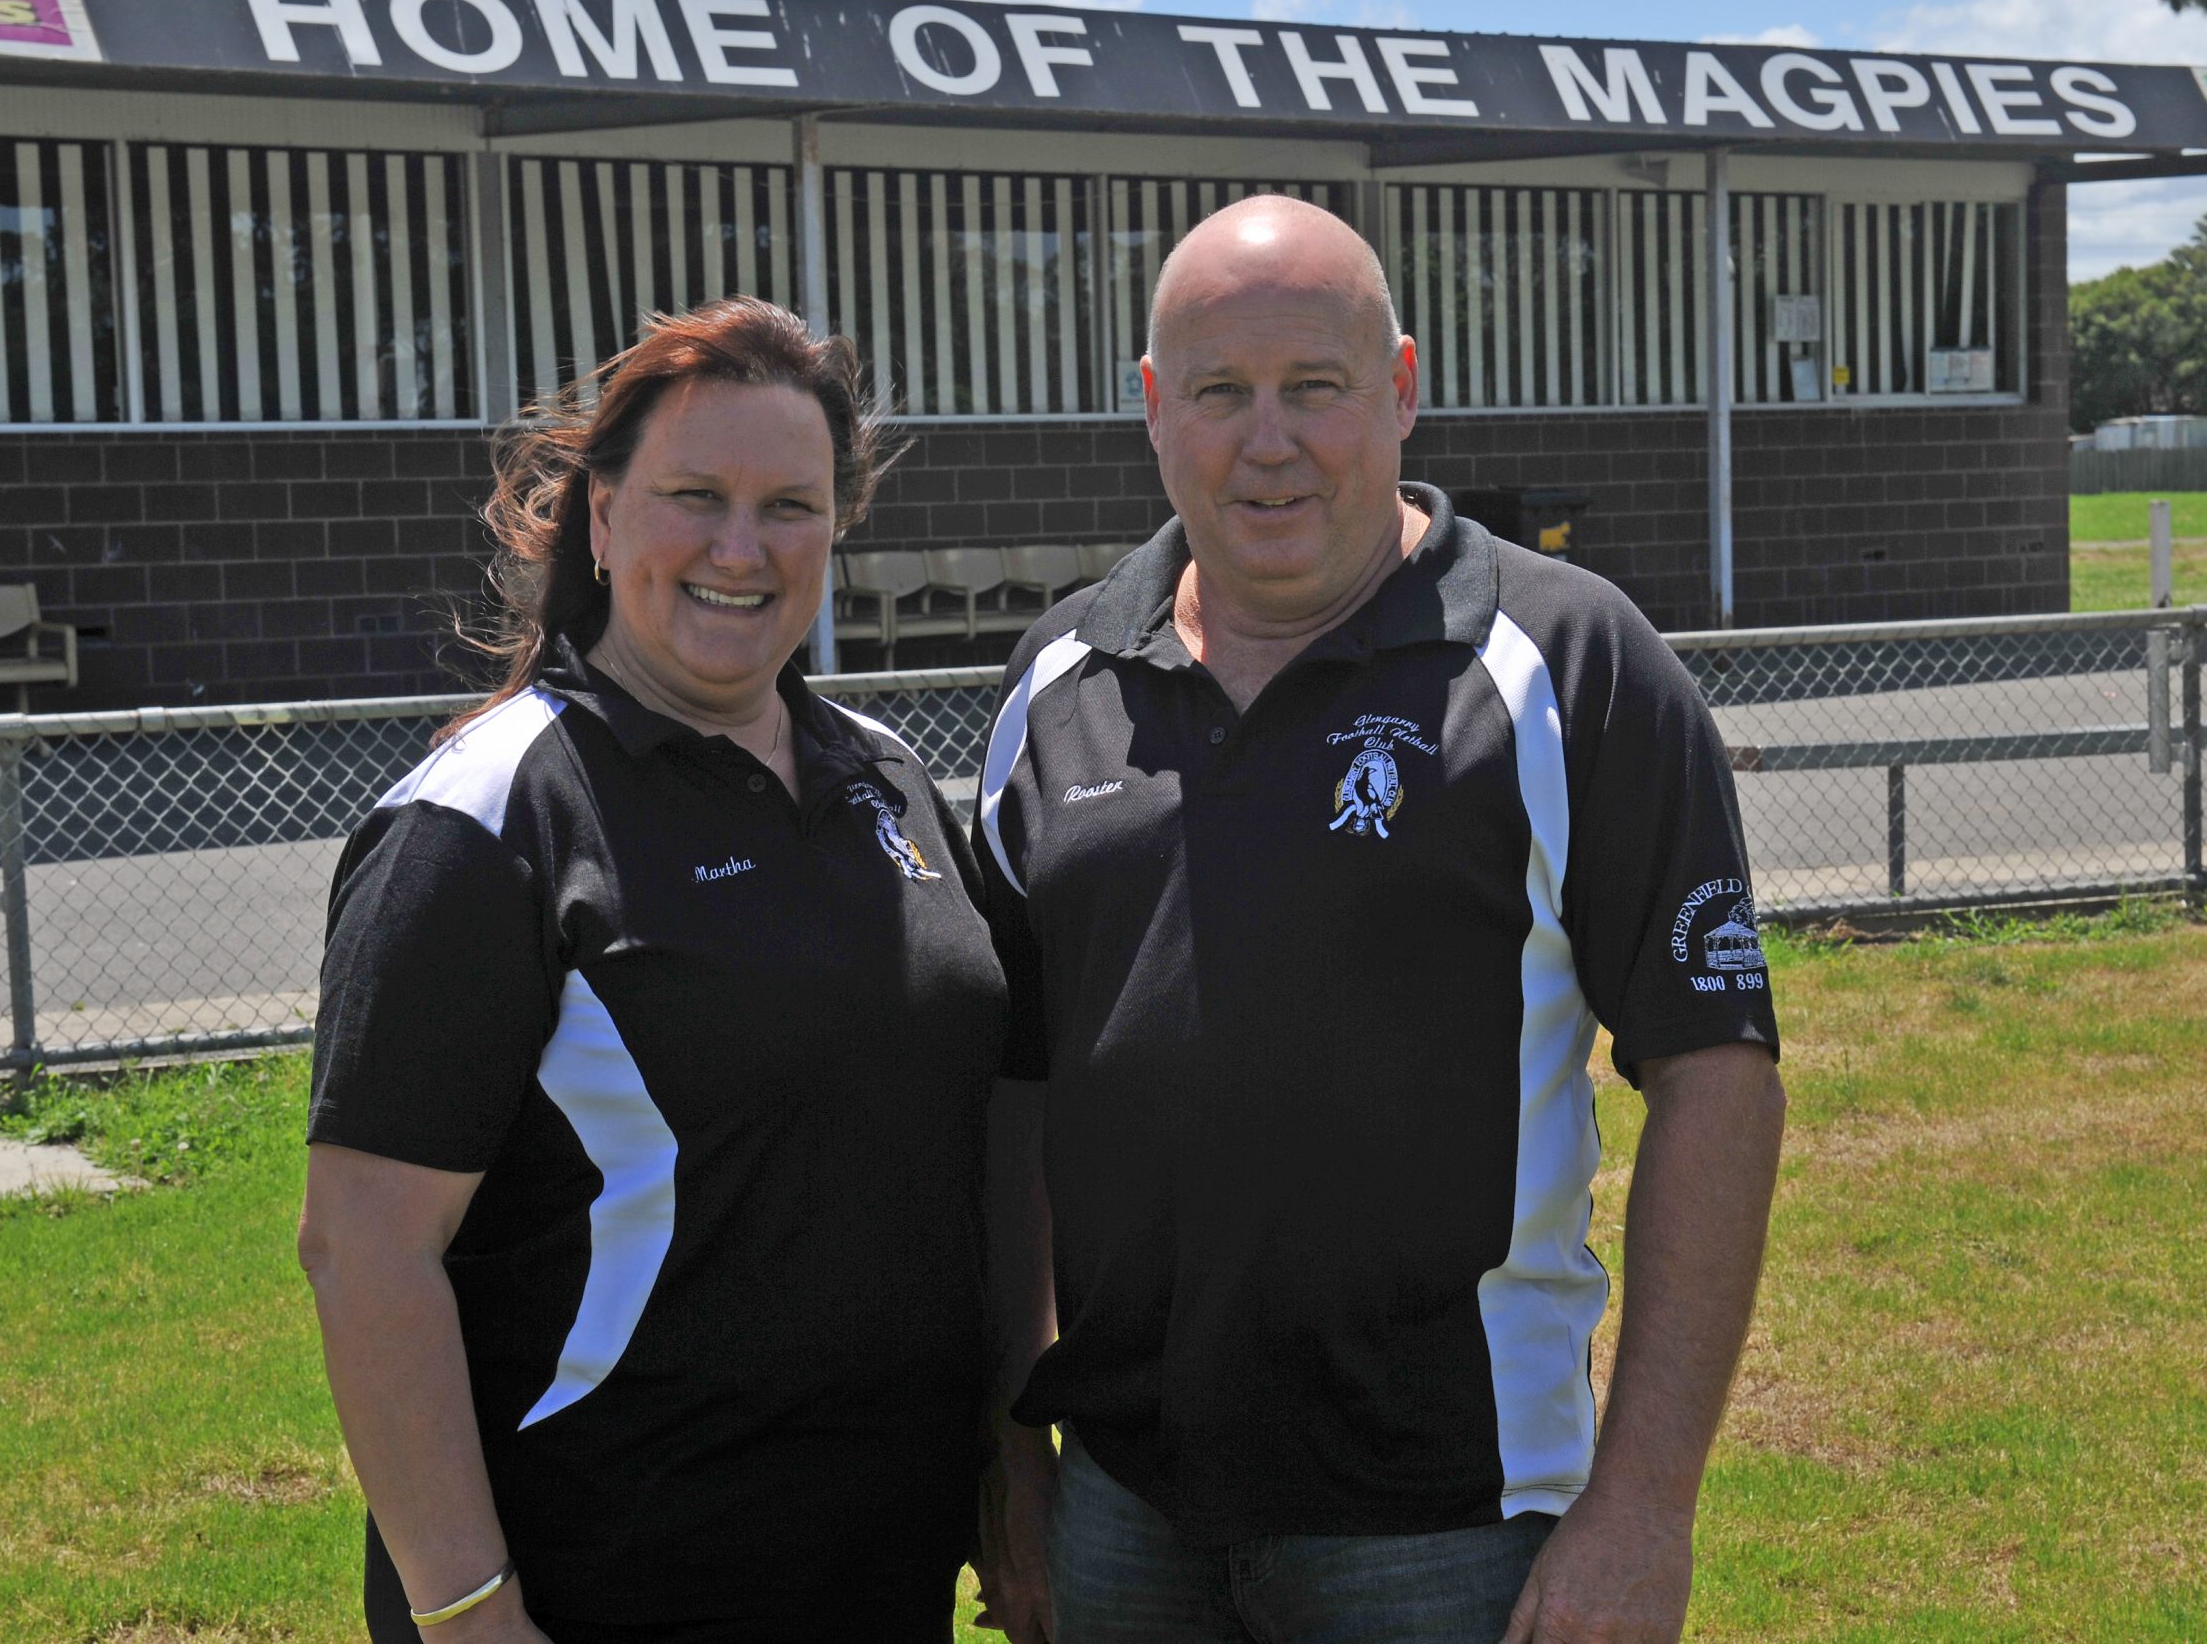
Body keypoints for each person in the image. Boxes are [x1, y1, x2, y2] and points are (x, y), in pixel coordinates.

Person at [971, 197, 1786, 1644]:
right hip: (1122, 1509)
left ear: (1401, 389)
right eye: (1220, 393)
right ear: (1153, 408)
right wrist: (1007, 1446)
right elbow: (1011, 1092)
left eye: (1316, 387)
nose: (1268, 441)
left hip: (1451, 1520)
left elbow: (1717, 1073)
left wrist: (1646, 1503)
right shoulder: (1060, 679)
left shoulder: (1569, 662)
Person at [299, 297, 1007, 1642]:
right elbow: (366, 1249)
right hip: (606, 1586)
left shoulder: (892, 782)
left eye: (790, 506)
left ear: (837, 530)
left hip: (877, 1574)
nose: (743, 548)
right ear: (605, 518)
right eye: (696, 497)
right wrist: (469, 1614)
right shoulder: (488, 818)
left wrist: (1005, 1465)